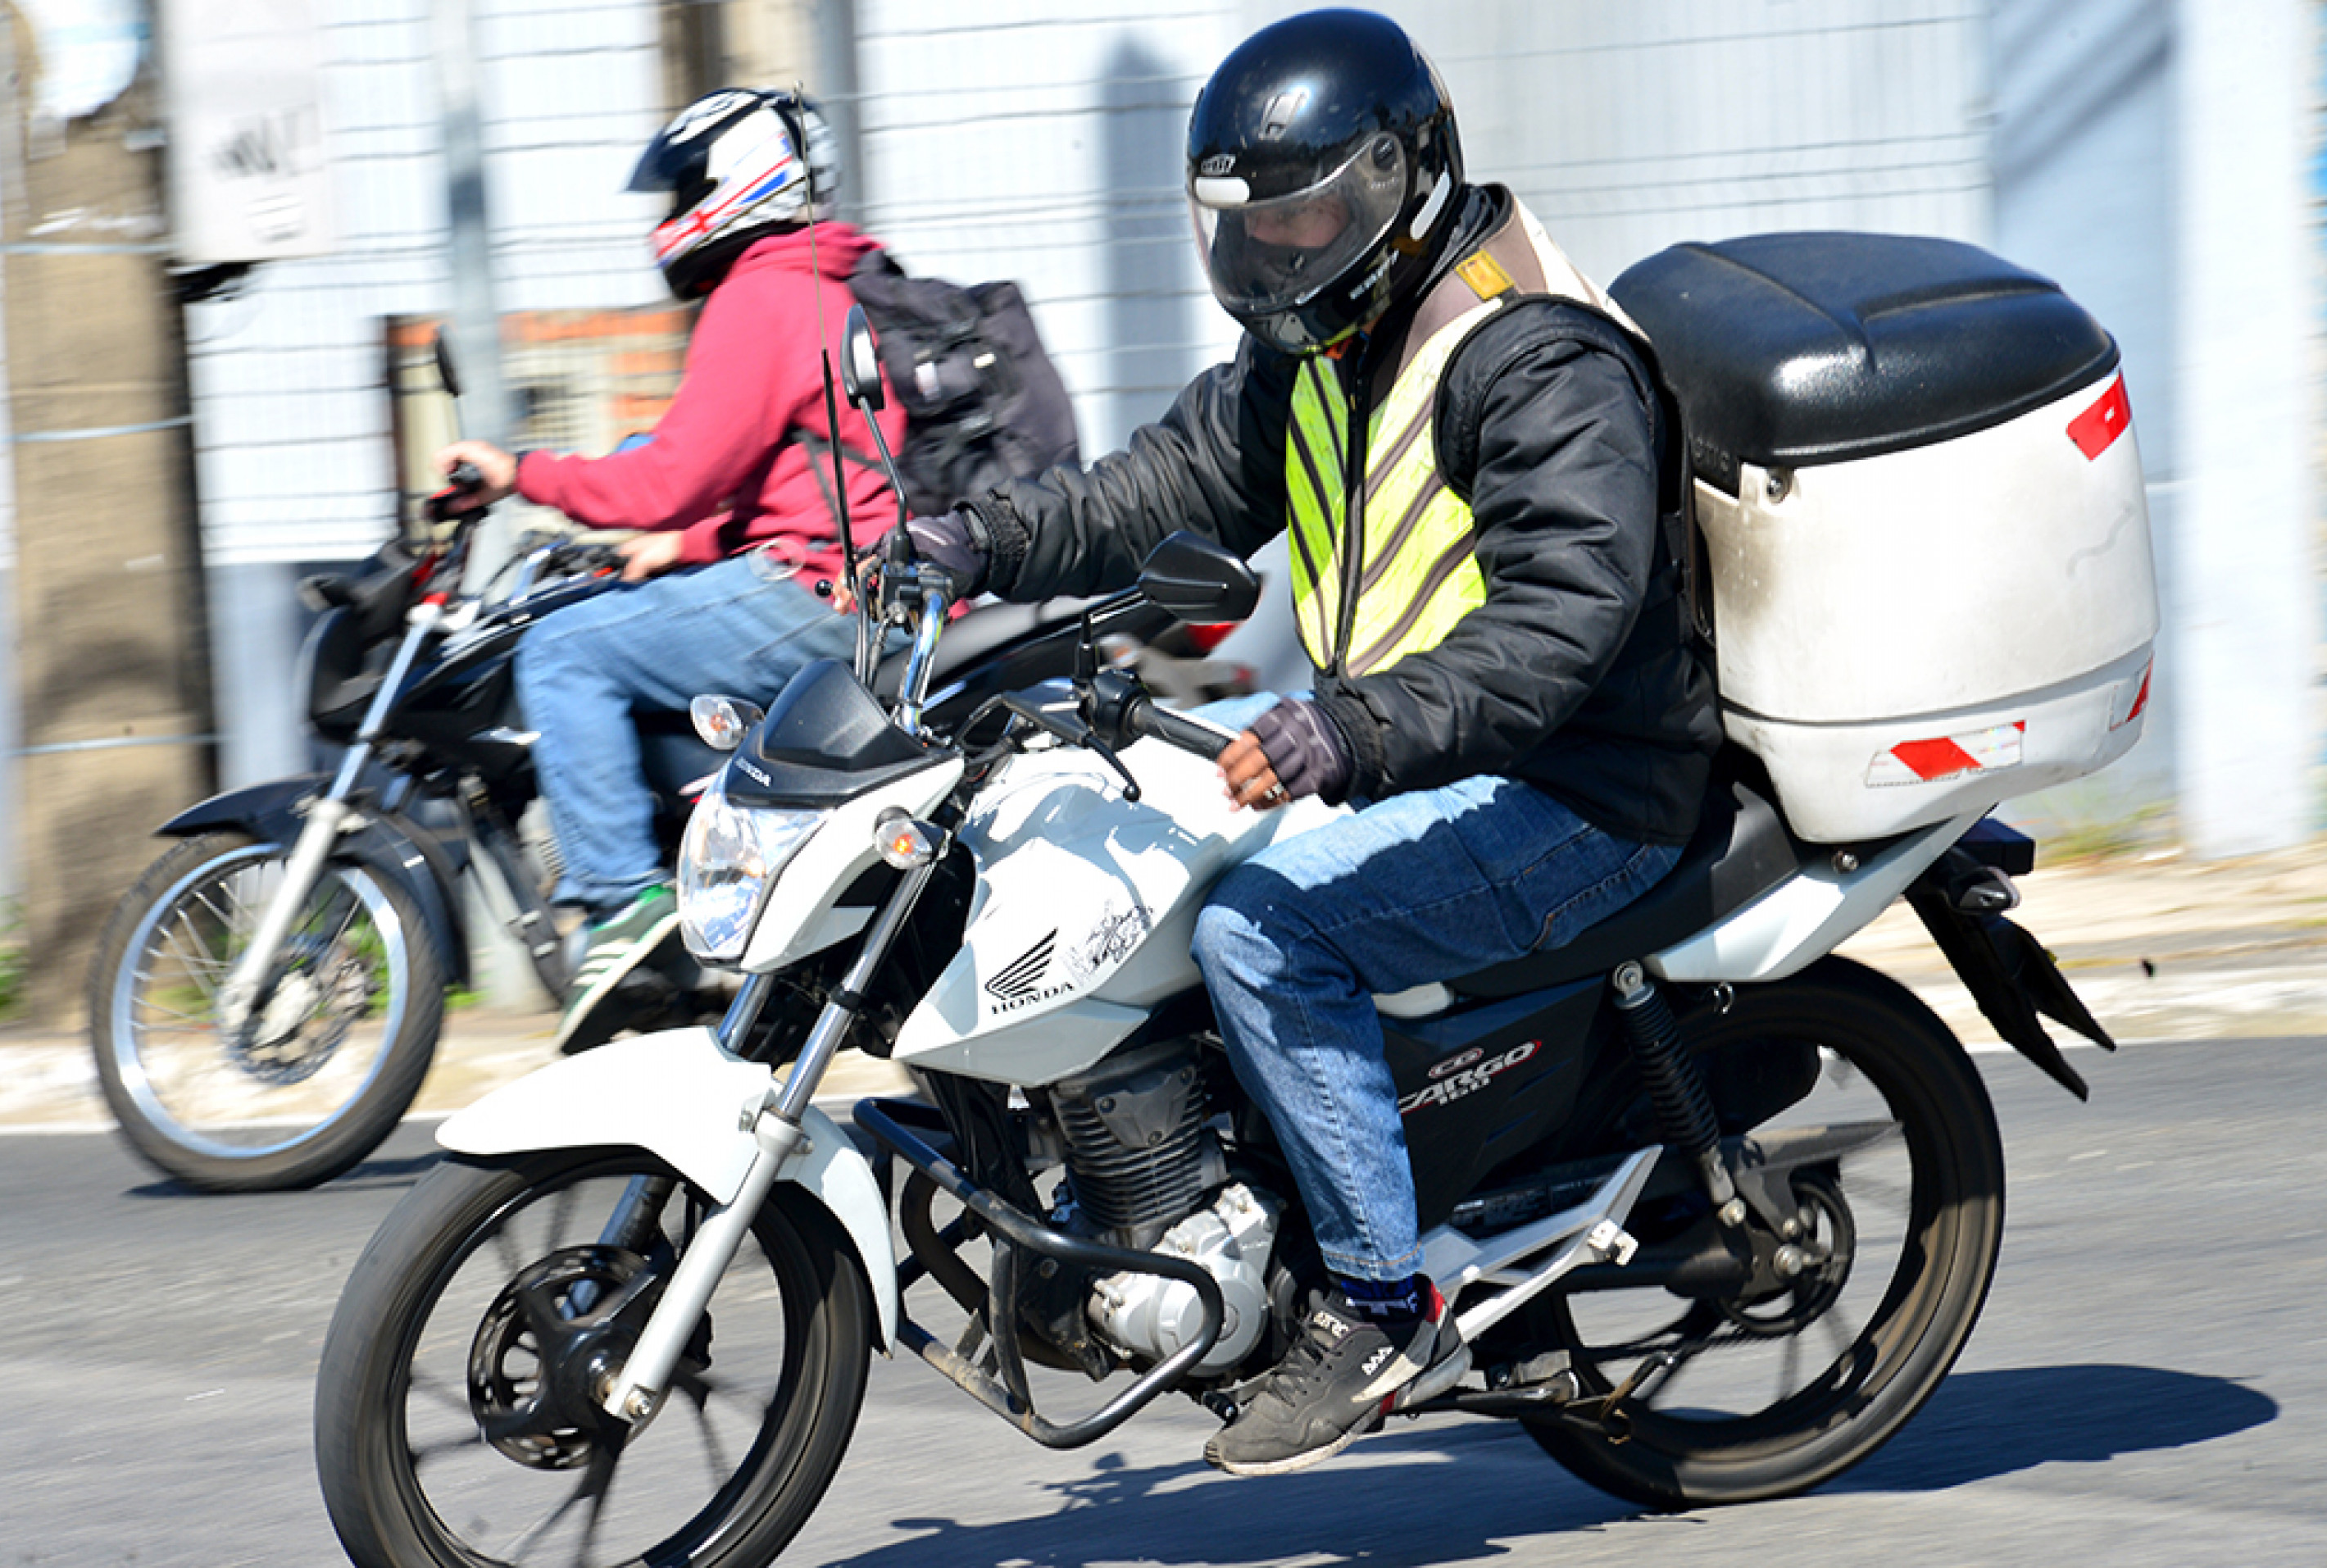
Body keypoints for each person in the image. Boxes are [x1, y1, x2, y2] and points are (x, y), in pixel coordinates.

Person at [886, 10, 1720, 1475]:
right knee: (1100, 837)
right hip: (1425, 753)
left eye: (1307, 213)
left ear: (1400, 177)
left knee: (1263, 938)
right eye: (1248, 224)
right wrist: (978, 539)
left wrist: (1340, 728)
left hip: (1579, 782)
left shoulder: (1533, 361)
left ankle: (1379, 1304)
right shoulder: (1325, 343)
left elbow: (1560, 624)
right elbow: (1163, 485)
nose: (1275, 251)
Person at [439, 88, 905, 1054]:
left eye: (679, 194)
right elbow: (795, 471)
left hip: (815, 592)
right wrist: (686, 547)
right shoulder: (826, 280)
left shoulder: (762, 295)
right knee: (625, 620)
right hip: (854, 583)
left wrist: (518, 471)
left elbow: (671, 476)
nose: (665, 223)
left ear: (735, 184)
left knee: (565, 647)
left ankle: (619, 907)